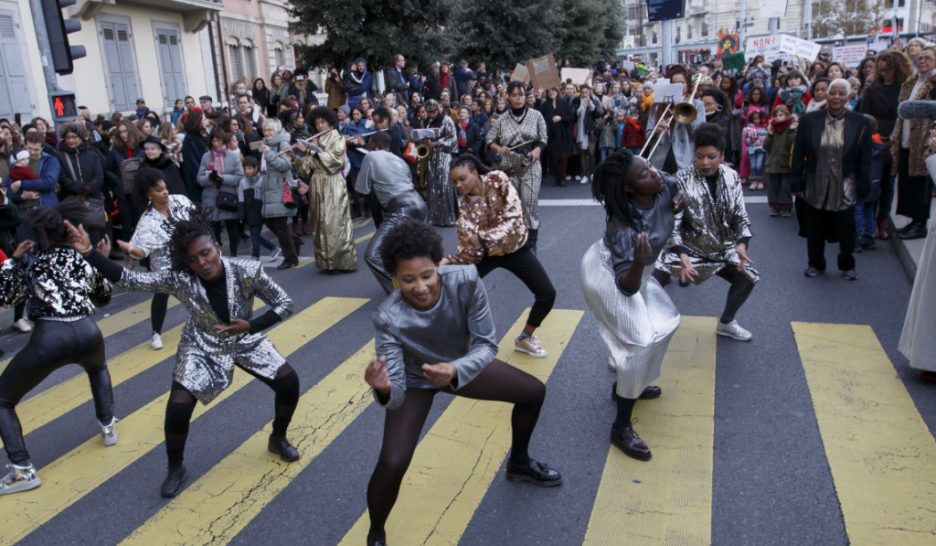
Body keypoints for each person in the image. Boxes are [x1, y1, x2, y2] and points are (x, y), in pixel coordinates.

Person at [67, 216, 301, 498]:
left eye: (206, 253)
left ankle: (278, 437)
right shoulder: (180, 279)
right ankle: (175, 468)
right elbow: (132, 281)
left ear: (217, 247)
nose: (202, 263)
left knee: (289, 382)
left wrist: (251, 326)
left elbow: (285, 303)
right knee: (178, 406)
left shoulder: (247, 270)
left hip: (244, 338)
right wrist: (90, 253)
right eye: (193, 259)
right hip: (201, 344)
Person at [363, 219, 561, 546]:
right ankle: (376, 532)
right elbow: (394, 394)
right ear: (395, 279)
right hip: (415, 380)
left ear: (438, 266)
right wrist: (383, 387)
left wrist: (455, 371)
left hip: (461, 366)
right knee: (393, 460)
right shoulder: (387, 317)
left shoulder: (466, 280)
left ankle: (519, 462)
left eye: (427, 275)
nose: (421, 287)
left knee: (533, 392)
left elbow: (486, 345)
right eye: (408, 280)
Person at [0, 207, 116, 495]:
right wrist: (99, 259)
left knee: (2, 400)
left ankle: (22, 469)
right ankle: (108, 426)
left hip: (50, 337)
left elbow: (6, 298)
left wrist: (13, 261)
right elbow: (103, 298)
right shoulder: (81, 259)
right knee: (97, 368)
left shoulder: (32, 262)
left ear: (43, 234)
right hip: (88, 332)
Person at [580, 150, 684, 461]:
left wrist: (684, 197)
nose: (654, 173)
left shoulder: (662, 184)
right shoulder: (623, 228)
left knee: (667, 321)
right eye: (644, 173)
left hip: (640, 268)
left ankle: (630, 383)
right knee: (640, 341)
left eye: (650, 166)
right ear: (629, 188)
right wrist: (639, 261)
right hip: (609, 274)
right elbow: (626, 287)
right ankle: (621, 427)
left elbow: (679, 182)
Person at [441, 154, 556, 357]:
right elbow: (469, 253)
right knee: (456, 293)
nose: (458, 185)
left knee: (547, 294)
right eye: (454, 182)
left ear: (474, 172)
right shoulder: (465, 211)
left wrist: (482, 237)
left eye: (462, 178)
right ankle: (450, 346)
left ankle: (525, 338)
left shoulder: (497, 179)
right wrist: (448, 261)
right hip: (486, 255)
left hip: (515, 249)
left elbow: (514, 220)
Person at [654, 123, 757, 341]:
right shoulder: (681, 179)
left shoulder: (732, 176)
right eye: (699, 157)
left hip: (722, 248)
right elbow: (673, 224)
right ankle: (642, 326)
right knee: (652, 281)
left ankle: (726, 323)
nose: (705, 162)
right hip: (687, 247)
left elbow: (740, 215)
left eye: (711, 157)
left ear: (722, 155)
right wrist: (682, 254)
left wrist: (742, 243)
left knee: (748, 276)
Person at [791, 79, 872, 281]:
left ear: (848, 97)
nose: (836, 97)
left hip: (845, 184)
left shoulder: (861, 123)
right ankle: (815, 263)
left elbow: (865, 158)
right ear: (827, 95)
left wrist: (864, 185)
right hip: (814, 182)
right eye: (833, 93)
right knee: (814, 227)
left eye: (841, 93)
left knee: (846, 228)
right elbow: (798, 153)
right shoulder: (809, 120)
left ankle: (847, 265)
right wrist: (796, 182)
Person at [119, 167, 196, 350]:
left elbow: (198, 221)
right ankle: (156, 333)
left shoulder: (180, 201)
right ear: (149, 195)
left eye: (165, 188)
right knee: (161, 296)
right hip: (164, 264)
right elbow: (141, 251)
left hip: (188, 257)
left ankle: (209, 323)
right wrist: (131, 249)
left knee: (198, 291)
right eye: (159, 190)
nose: (165, 192)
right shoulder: (147, 221)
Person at [355, 132, 428, 293]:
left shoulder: (371, 156)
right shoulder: (398, 159)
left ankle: (402, 294)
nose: (368, 146)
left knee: (372, 255)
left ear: (375, 144)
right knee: (407, 251)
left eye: (369, 143)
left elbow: (362, 189)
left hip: (401, 208)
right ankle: (418, 285)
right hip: (419, 203)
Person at [293, 107, 358, 272]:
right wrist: (294, 157)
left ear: (330, 122)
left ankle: (341, 262)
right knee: (320, 222)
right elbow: (307, 168)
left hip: (332, 182)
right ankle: (326, 262)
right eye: (317, 123)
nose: (320, 126)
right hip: (317, 183)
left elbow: (335, 161)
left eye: (322, 122)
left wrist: (310, 150)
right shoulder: (316, 140)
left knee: (334, 222)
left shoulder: (338, 137)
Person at [486, 82, 548, 246]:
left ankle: (531, 242)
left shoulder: (536, 115)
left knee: (529, 203)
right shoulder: (502, 119)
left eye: (521, 95)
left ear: (526, 97)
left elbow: (544, 138)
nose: (518, 99)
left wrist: (538, 149)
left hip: (530, 165)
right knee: (513, 205)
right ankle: (517, 240)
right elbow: (489, 139)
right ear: (508, 96)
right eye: (514, 95)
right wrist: (499, 148)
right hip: (510, 167)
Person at [859, 50, 912, 241]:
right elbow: (864, 116)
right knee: (874, 180)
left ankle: (883, 219)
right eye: (881, 70)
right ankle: (870, 219)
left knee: (888, 183)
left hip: (897, 138)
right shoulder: (872, 88)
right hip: (875, 140)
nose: (884, 74)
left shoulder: (906, 89)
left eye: (888, 70)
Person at [892, 46, 936, 241]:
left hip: (925, 140)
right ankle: (913, 221)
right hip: (907, 137)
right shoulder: (912, 81)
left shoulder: (934, 83)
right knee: (907, 182)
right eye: (920, 58)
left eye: (927, 58)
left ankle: (920, 224)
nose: (922, 61)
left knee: (921, 185)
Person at [257, 118, 302, 269]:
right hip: (268, 189)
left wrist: (269, 154)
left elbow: (285, 165)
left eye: (270, 130)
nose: (267, 133)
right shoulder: (264, 144)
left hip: (281, 189)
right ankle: (294, 241)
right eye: (265, 130)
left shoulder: (282, 144)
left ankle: (290, 258)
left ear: (276, 130)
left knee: (280, 225)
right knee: (269, 221)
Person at [197, 128, 244, 256]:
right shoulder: (206, 157)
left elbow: (240, 177)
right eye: (213, 141)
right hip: (211, 198)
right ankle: (218, 256)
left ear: (224, 141)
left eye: (218, 140)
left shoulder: (233, 156)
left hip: (228, 197)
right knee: (214, 232)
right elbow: (199, 179)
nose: (216, 143)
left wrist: (223, 178)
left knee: (232, 230)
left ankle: (234, 255)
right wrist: (210, 177)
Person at [422, 99, 459, 226]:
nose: (431, 114)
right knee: (433, 187)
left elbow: (453, 138)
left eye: (433, 112)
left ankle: (449, 218)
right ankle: (436, 218)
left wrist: (437, 143)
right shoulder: (429, 122)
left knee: (445, 186)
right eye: (429, 112)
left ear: (438, 109)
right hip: (432, 157)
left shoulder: (447, 120)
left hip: (444, 156)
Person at [237, 156, 279, 261]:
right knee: (254, 235)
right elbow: (241, 199)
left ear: (256, 168)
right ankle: (273, 248)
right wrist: (241, 214)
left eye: (250, 168)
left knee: (254, 234)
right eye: (245, 169)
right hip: (248, 212)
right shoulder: (242, 182)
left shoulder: (262, 180)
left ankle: (255, 255)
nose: (247, 171)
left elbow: (264, 197)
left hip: (259, 211)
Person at [764, 105, 797, 217]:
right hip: (772, 164)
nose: (777, 117)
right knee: (773, 187)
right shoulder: (772, 128)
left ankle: (786, 207)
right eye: (776, 115)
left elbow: (792, 144)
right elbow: (766, 146)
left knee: (785, 187)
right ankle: (775, 206)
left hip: (785, 163)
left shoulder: (791, 128)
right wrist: (770, 135)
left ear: (787, 116)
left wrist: (791, 131)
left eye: (780, 115)